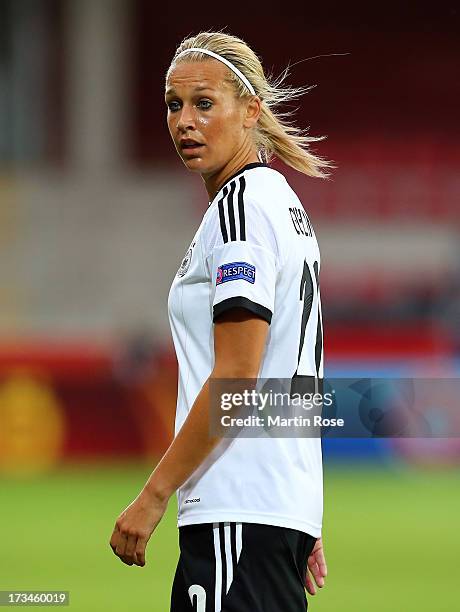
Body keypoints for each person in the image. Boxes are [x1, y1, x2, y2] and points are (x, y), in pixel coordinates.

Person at [110, 31, 332, 611]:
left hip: (235, 509)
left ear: (251, 110)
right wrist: (294, 501)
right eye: (173, 104)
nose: (184, 121)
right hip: (267, 511)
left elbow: (237, 380)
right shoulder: (281, 203)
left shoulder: (241, 210)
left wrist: (154, 494)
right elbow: (291, 373)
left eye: (205, 103)